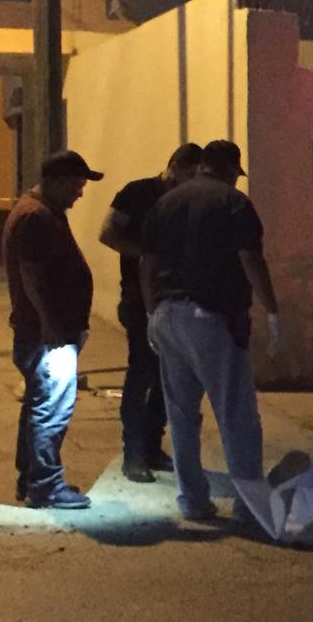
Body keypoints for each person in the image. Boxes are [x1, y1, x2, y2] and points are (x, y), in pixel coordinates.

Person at [141, 140, 282, 521]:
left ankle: (192, 500)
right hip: (212, 318)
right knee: (236, 413)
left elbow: (147, 262)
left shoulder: (166, 202)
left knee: (182, 414)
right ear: (230, 169)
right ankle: (248, 504)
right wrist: (272, 311)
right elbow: (250, 259)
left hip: (167, 314)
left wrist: (152, 311)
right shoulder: (234, 203)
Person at [2, 150, 103, 509]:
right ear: (56, 182)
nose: (80, 193)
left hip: (47, 331)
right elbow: (31, 273)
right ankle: (45, 486)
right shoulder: (35, 216)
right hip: (47, 336)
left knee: (38, 406)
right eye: (76, 185)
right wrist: (50, 323)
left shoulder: (42, 211)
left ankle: (32, 479)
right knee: (51, 409)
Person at [98, 142, 202, 483]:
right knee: (141, 372)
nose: (192, 183)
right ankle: (133, 453)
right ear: (175, 166)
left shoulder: (188, 201)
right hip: (138, 299)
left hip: (176, 301)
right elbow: (107, 233)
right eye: (189, 175)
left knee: (167, 376)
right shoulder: (137, 193)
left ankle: (152, 445)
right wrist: (146, 255)